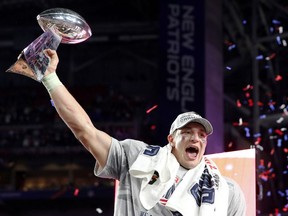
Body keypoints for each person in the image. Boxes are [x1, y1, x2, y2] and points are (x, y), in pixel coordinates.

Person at [39, 49, 246, 215]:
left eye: (202, 135)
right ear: (171, 139)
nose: (196, 138)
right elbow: (86, 132)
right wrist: (50, 78)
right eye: (188, 132)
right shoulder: (137, 158)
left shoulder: (228, 191)